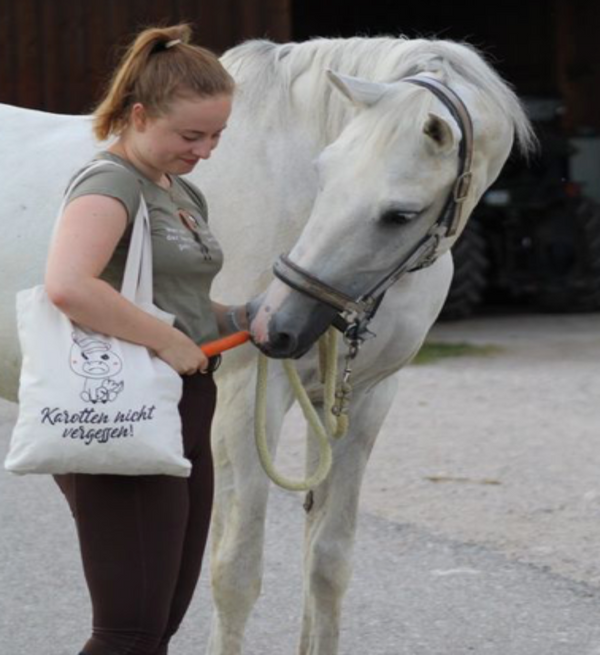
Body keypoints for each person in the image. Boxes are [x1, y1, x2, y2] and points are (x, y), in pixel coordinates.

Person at [44, 23, 247, 655]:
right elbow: (70, 285)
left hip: (182, 405)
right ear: (138, 114)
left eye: (216, 135)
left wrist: (244, 317)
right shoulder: (111, 185)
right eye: (191, 135)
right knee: (128, 635)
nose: (206, 150)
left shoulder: (179, 191)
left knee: (155, 628)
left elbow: (176, 303)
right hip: (123, 408)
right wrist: (165, 340)